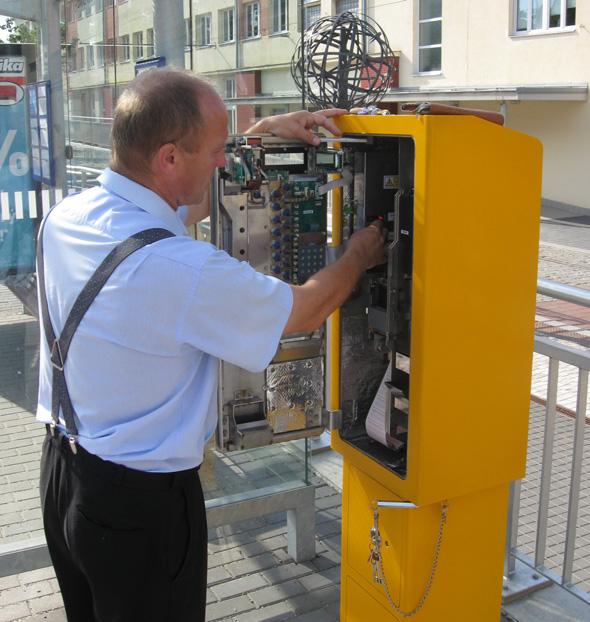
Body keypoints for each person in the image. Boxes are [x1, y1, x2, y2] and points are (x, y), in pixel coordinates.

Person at [37, 67, 386, 622]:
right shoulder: (179, 268)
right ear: (170, 158)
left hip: (63, 478)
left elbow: (188, 206)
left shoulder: (68, 217)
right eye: (219, 150)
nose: (226, 161)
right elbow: (305, 309)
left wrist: (263, 135)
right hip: (138, 508)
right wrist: (360, 254)